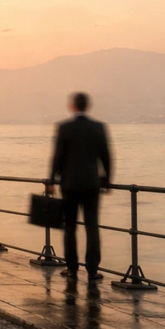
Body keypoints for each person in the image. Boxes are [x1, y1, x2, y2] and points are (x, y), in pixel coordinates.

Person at [48, 92, 112, 280]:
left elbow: (57, 157)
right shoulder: (99, 127)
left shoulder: (64, 128)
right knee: (92, 226)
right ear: (88, 106)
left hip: (69, 184)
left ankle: (72, 268)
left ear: (73, 106)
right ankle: (92, 270)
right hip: (92, 184)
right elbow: (106, 156)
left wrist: (51, 181)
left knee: (70, 228)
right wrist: (107, 180)